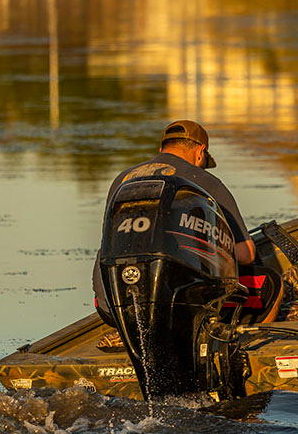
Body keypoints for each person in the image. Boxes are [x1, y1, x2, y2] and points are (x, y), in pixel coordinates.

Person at [92, 120, 255, 321]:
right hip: (176, 306)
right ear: (200, 152)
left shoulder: (123, 179)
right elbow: (246, 254)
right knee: (271, 284)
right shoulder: (205, 181)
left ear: (162, 149)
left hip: (114, 305)